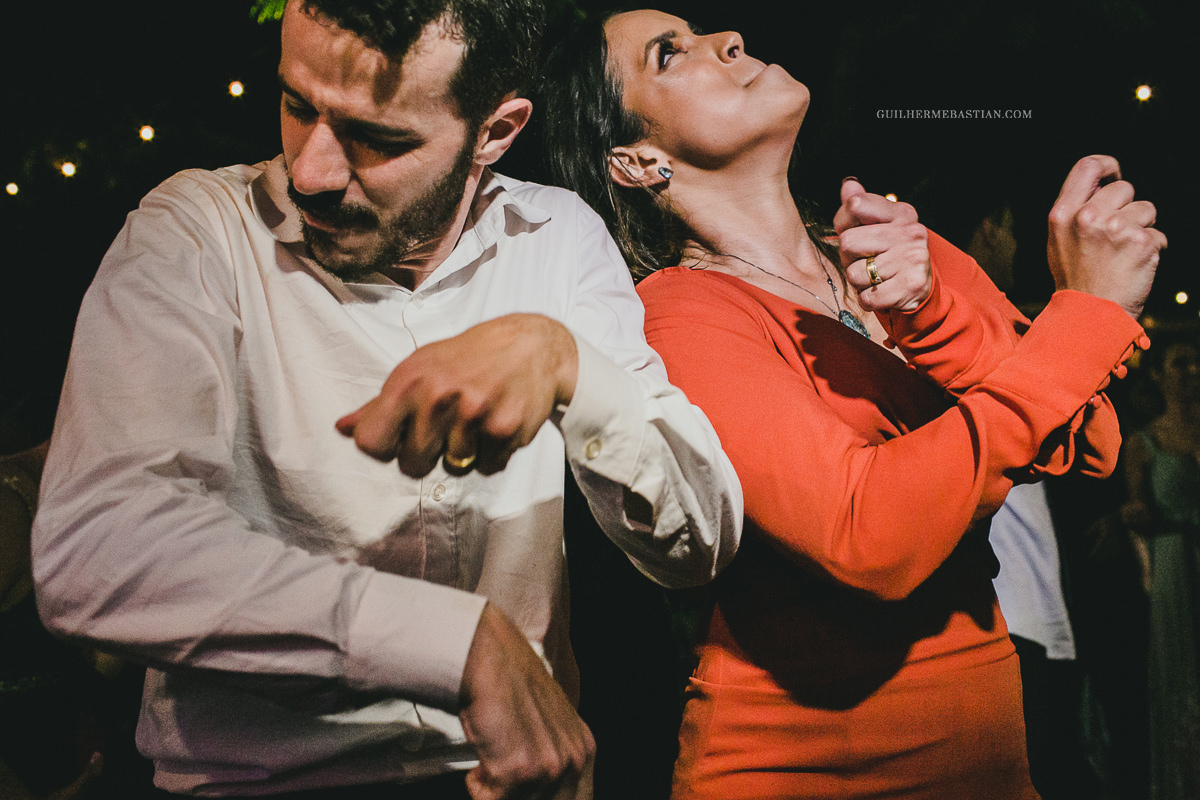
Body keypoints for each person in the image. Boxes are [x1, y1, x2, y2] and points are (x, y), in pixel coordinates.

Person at [30, 1, 743, 798]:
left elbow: (698, 545)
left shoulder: (556, 235)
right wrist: (453, 643)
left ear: (495, 132)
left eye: (379, 139)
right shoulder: (199, 234)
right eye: (297, 104)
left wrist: (568, 366)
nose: (311, 171)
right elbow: (96, 548)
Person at [542, 9, 1165, 799]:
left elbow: (1088, 442)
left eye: (704, 31)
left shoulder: (897, 253)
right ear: (637, 161)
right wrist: (1087, 311)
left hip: (989, 757)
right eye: (670, 54)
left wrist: (938, 317)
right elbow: (866, 535)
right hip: (805, 768)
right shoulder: (681, 312)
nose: (729, 40)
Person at [1122, 337, 1200, 800]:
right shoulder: (1143, 441)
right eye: (1180, 363)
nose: (1192, 371)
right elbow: (1137, 515)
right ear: (1157, 374)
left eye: (1195, 362)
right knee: (1182, 671)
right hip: (1175, 561)